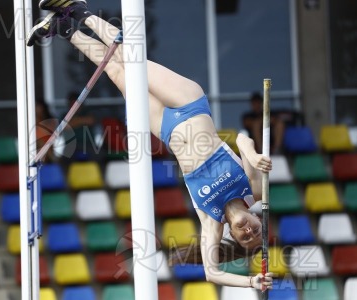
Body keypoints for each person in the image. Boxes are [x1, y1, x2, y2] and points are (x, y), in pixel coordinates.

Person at [27, 0, 273, 290]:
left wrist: (252, 282)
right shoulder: (253, 191)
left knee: (117, 73)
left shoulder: (212, 221)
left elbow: (212, 274)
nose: (248, 229)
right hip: (189, 104)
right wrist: (253, 156)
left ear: (232, 234)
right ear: (258, 220)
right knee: (130, 61)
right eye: (255, 230)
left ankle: (66, 29)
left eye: (245, 236)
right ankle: (80, 11)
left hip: (166, 129)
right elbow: (244, 139)